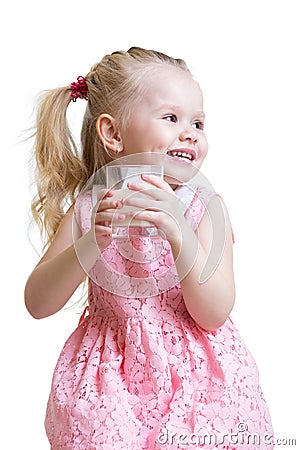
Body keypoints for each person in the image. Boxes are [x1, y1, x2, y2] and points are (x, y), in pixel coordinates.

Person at [25, 47, 273, 449]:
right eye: (172, 118)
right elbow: (38, 302)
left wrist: (181, 237)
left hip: (198, 383)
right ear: (113, 134)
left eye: (198, 122)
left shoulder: (204, 209)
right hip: (110, 384)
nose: (190, 132)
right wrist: (91, 243)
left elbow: (214, 313)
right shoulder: (90, 207)